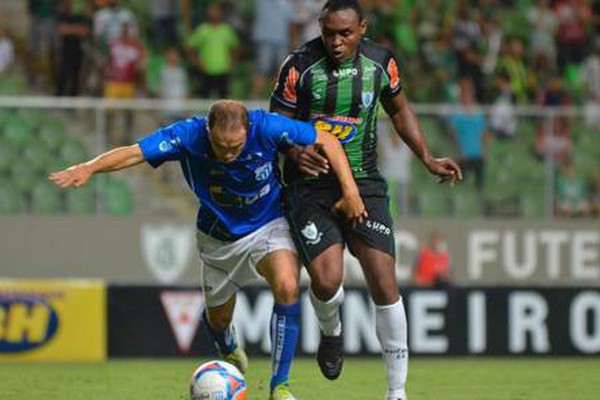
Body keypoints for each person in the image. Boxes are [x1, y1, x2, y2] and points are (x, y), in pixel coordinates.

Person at [49, 100, 367, 400]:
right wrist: (89, 168)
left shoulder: (266, 127)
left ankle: (279, 386)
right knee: (218, 319)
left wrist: (350, 189)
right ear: (207, 131)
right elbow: (134, 153)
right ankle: (226, 343)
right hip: (218, 239)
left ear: (248, 131)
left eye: (236, 147)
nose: (228, 155)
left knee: (287, 286)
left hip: (269, 224)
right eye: (220, 146)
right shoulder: (186, 135)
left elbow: (326, 138)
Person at [270, 2, 462, 399]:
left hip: (365, 182)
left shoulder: (381, 62)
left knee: (384, 280)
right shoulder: (298, 65)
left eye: (345, 34)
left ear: (362, 28)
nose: (336, 42)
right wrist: (293, 151)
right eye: (329, 34)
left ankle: (397, 392)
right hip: (311, 184)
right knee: (326, 279)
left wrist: (426, 157)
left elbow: (400, 110)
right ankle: (331, 331)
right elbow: (277, 123)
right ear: (320, 29)